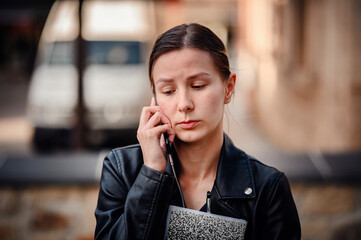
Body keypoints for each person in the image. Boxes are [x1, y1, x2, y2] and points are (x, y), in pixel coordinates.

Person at [94, 23, 301, 240]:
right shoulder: (122, 170)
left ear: (229, 88)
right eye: (168, 91)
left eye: (198, 86)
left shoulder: (267, 187)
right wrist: (152, 174)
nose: (184, 104)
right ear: (154, 98)